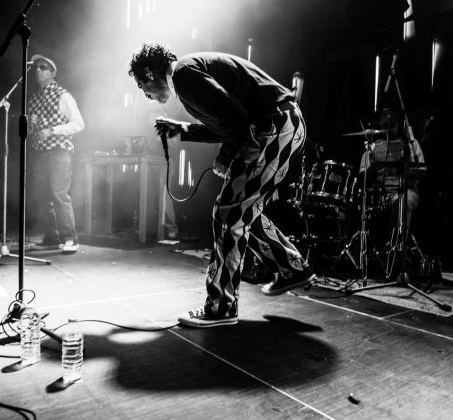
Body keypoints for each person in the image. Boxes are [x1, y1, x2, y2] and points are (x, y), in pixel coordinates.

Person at [128, 42, 314, 328]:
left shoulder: (184, 74)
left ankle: (221, 307)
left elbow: (236, 120)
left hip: (274, 126)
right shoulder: (188, 74)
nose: (147, 95)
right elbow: (227, 120)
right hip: (280, 124)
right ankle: (292, 267)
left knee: (228, 212)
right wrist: (184, 129)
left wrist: (225, 158)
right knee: (240, 211)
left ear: (150, 73)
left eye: (143, 87)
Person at [28, 54, 85, 254]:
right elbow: (34, 131)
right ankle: (51, 237)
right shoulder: (34, 98)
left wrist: (52, 130)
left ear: (53, 73)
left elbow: (79, 124)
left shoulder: (63, 95)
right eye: (36, 67)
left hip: (59, 151)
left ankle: (70, 238)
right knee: (42, 197)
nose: (38, 70)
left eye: (43, 67)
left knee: (59, 194)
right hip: (40, 152)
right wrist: (31, 126)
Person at [358, 108, 426, 273]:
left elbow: (422, 171)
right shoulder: (373, 147)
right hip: (380, 193)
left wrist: (401, 169)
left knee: (400, 202)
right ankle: (368, 255)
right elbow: (362, 178)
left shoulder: (410, 144)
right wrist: (372, 168)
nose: (388, 128)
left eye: (392, 125)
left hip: (405, 190)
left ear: (399, 125)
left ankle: (397, 253)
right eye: (384, 125)